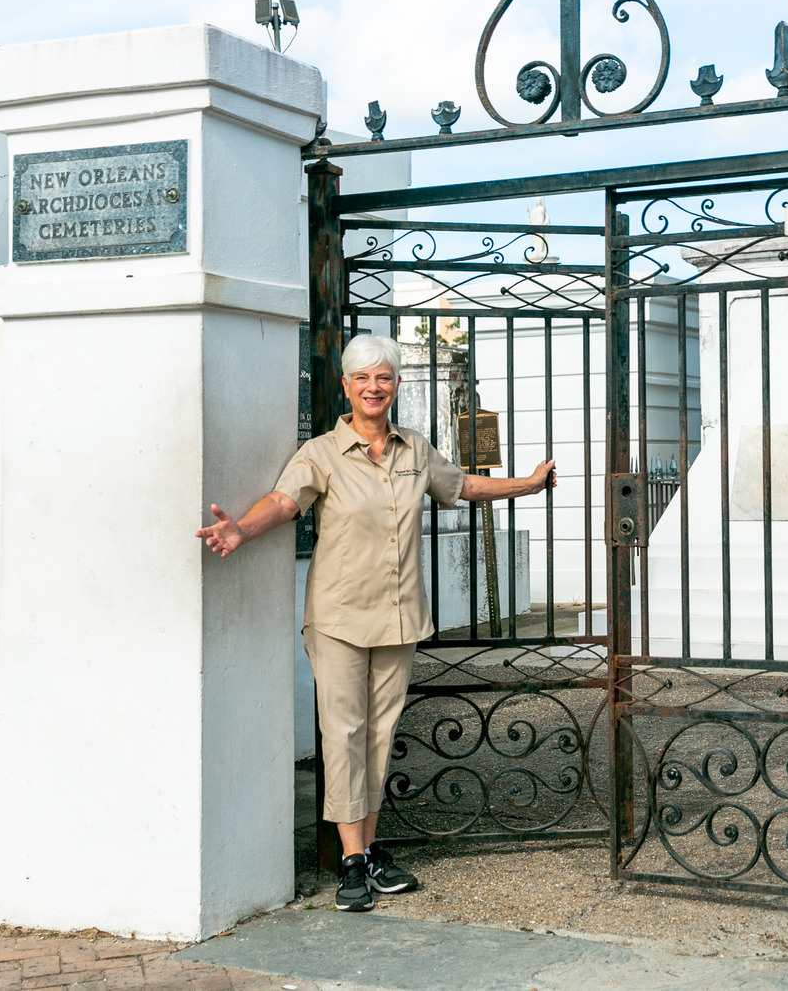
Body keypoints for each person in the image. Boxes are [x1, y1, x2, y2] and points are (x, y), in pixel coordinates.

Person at [194, 334, 555, 911]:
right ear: (346, 386)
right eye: (362, 378)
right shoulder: (321, 454)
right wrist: (240, 528)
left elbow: (460, 485)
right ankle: (354, 860)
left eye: (383, 377)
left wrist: (527, 485)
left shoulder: (414, 449)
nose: (373, 387)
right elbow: (285, 502)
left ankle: (366, 847)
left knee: (380, 736)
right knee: (344, 733)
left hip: (399, 617)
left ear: (395, 386)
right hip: (338, 618)